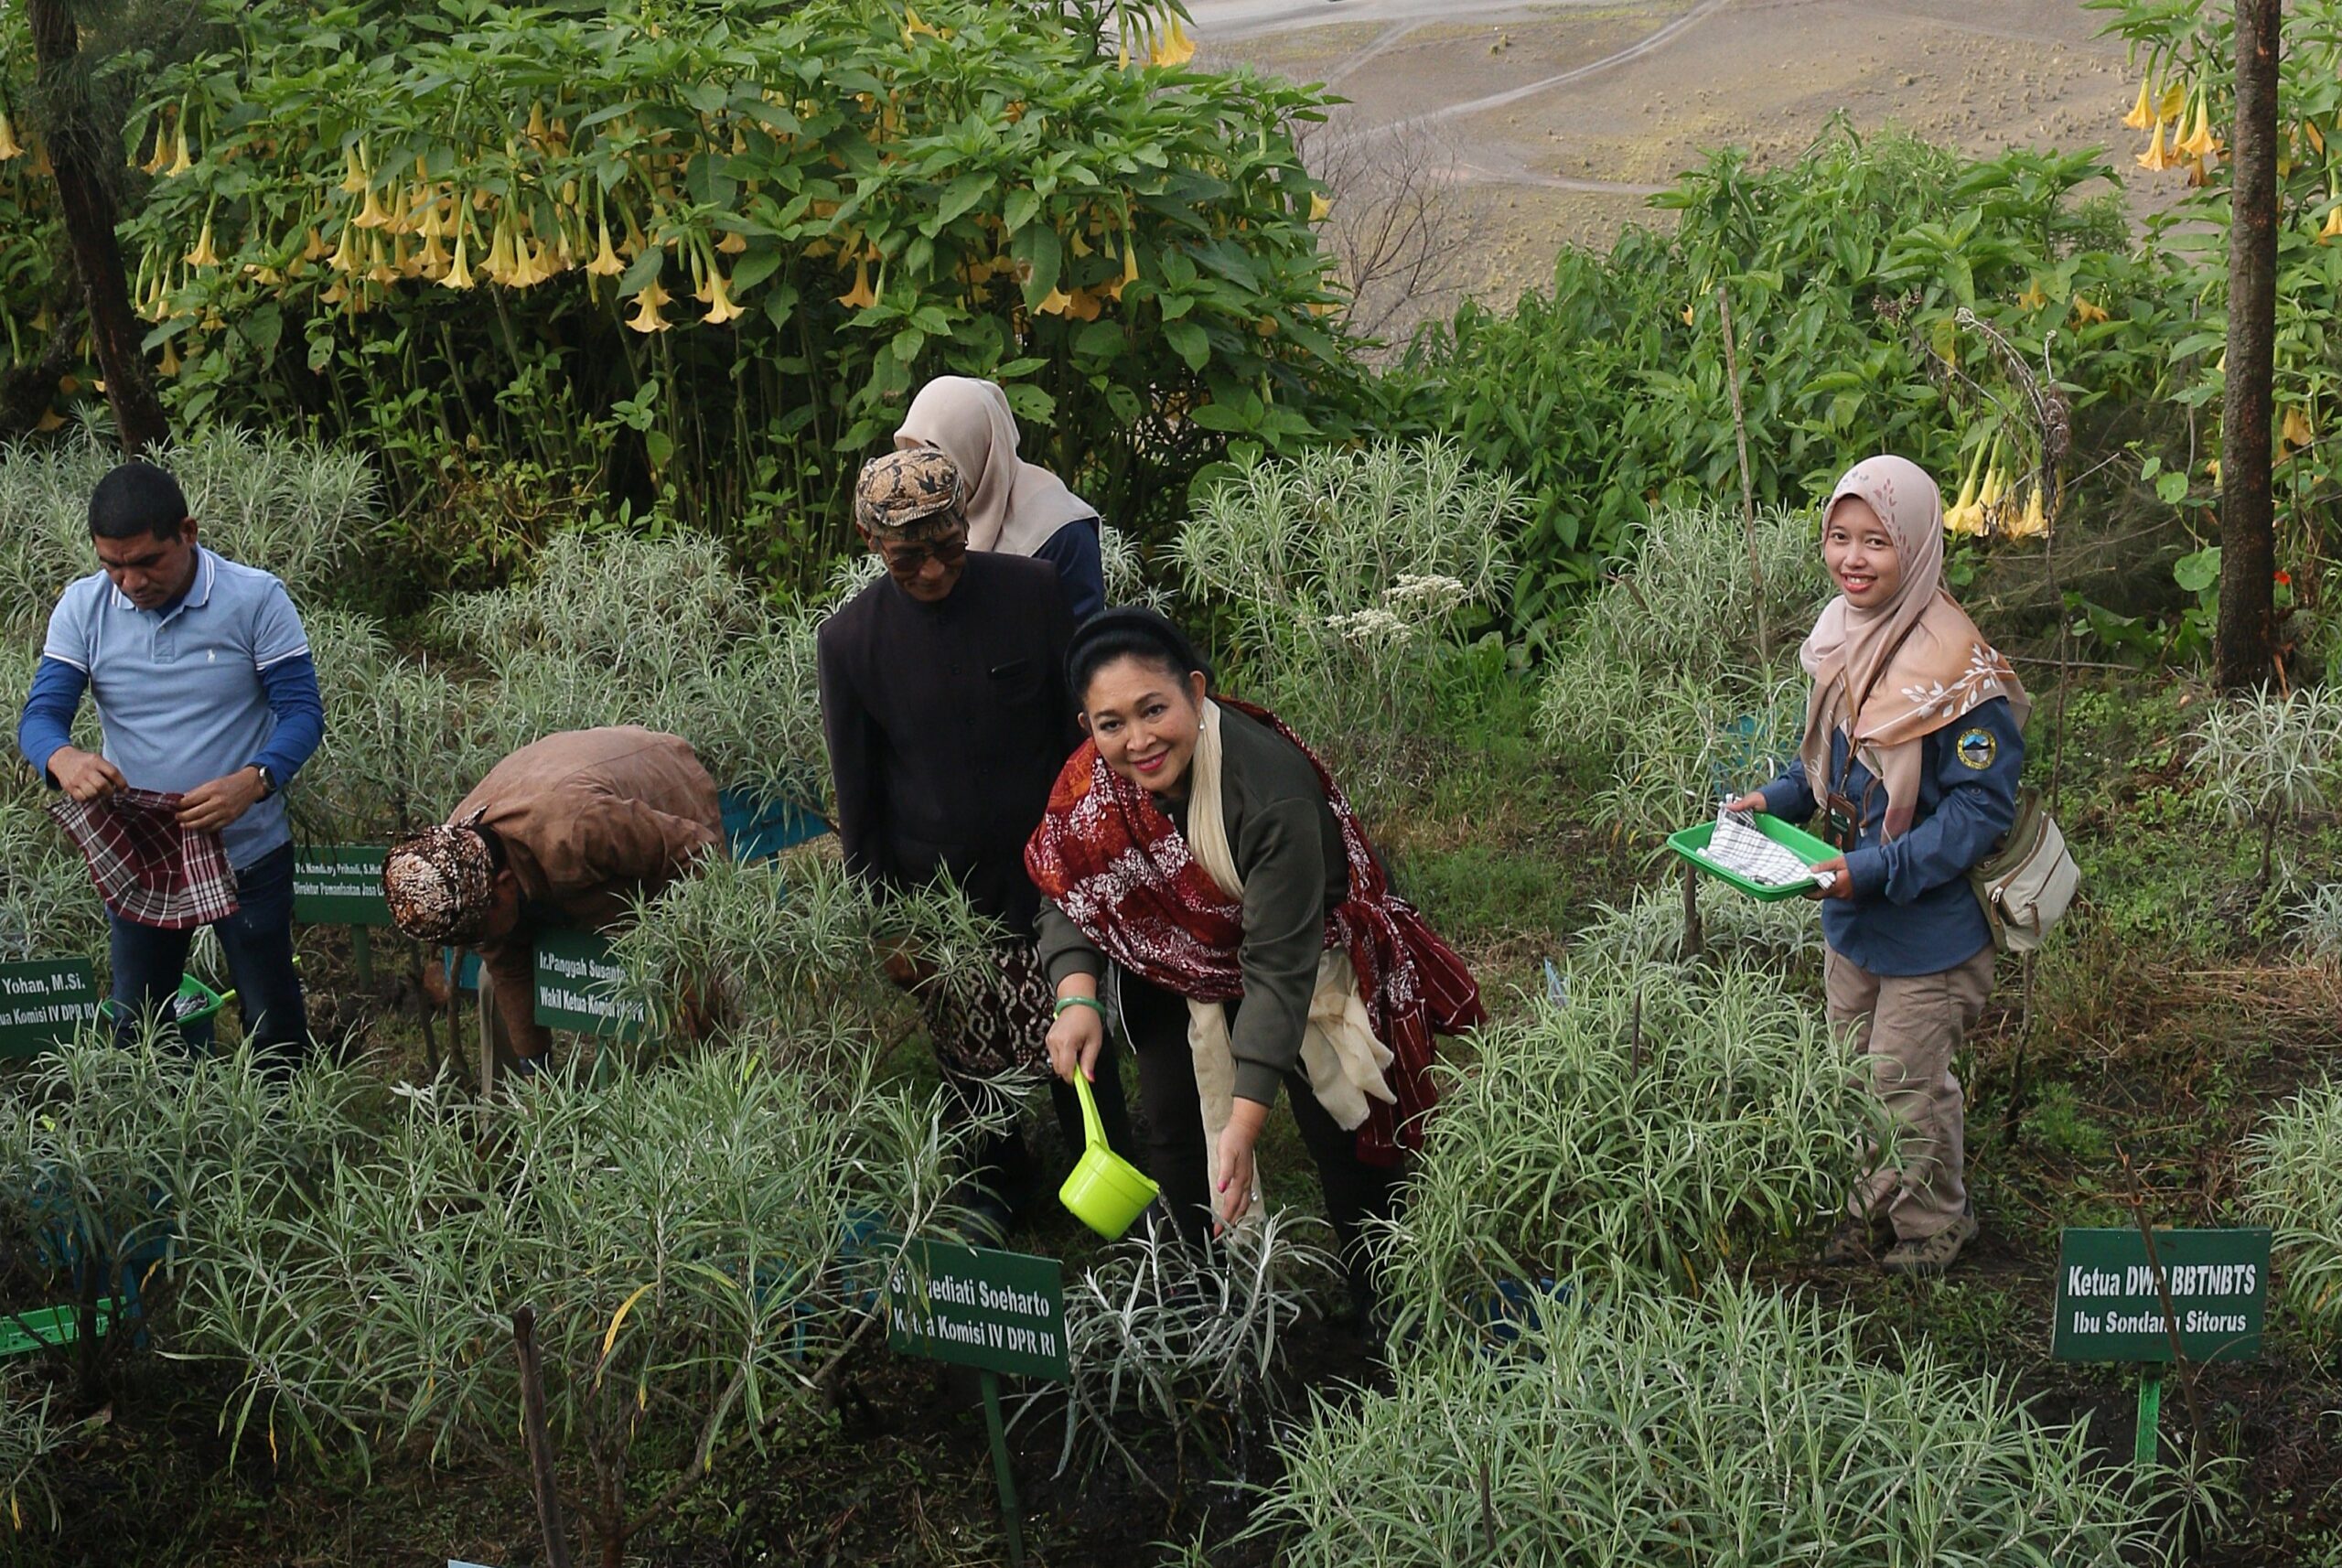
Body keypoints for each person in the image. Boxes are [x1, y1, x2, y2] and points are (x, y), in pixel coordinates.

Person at [1027, 608, 1484, 1317]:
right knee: (1175, 1130)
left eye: (1155, 710)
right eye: (1111, 723)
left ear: (1197, 692)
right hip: (1178, 963)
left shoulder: (1267, 786)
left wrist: (1244, 1126)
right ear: (1088, 726)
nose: (1138, 741)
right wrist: (1077, 996)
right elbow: (1069, 884)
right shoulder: (1093, 782)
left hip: (1303, 956)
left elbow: (1277, 968)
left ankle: (1392, 1310)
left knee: (1348, 1135)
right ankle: (1205, 1304)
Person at [1727, 454, 2026, 1280]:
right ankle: (1876, 1204)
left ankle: (1930, 1225)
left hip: (1927, 925)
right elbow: (1828, 765)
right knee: (1857, 1071)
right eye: (1839, 537)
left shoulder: (1957, 675)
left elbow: (1980, 810)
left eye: (1877, 543)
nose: (1853, 559)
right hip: (1852, 910)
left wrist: (1880, 867)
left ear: (1920, 547)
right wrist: (1775, 802)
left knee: (1903, 1080)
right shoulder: (1841, 637)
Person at [818, 446, 1130, 1235]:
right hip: (942, 896)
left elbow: (1073, 735)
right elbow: (860, 798)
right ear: (869, 541)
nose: (933, 571)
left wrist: (1098, 846)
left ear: (968, 521)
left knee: (1083, 1042)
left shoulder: (1030, 592)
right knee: (968, 1061)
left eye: (949, 548)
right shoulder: (850, 642)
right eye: (907, 557)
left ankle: (1117, 1179)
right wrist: (885, 919)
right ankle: (1002, 1189)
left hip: (1051, 873)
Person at [16, 460, 324, 1066]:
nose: (129, 582)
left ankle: (284, 1128)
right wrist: (64, 757)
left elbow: (302, 714)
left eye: (146, 561)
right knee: (139, 1020)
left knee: (271, 1012)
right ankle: (152, 1124)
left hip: (247, 845)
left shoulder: (255, 598)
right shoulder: (84, 607)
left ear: (188, 531)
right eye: (112, 565)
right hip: (141, 849)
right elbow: (41, 716)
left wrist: (253, 781)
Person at [381, 726, 722, 1070]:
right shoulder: (458, 864)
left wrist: (690, 961)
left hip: (667, 786)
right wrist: (536, 1071)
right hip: (563, 792)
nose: (481, 942)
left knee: (699, 998)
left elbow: (696, 853)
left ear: (504, 884)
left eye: (482, 930)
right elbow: (507, 966)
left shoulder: (577, 830)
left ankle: (724, 1068)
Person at [896, 375, 1106, 619]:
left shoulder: (1060, 532)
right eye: (911, 460)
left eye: (933, 462)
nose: (921, 481)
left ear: (974, 450)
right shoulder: (925, 521)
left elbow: (1080, 642)